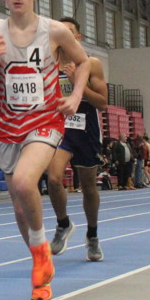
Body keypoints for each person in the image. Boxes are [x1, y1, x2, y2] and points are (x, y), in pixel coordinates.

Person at [0, 0, 90, 300]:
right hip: (9, 126)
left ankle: (42, 255)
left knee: (26, 182)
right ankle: (41, 272)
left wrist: (75, 96)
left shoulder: (54, 31)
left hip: (46, 121)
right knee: (19, 210)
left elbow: (84, 61)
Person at [46, 17, 109, 262]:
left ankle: (92, 235)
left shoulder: (91, 64)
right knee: (53, 178)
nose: (63, 34)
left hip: (85, 129)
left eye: (69, 31)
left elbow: (102, 103)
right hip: (59, 129)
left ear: (78, 38)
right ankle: (63, 224)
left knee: (88, 187)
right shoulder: (48, 64)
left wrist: (77, 85)